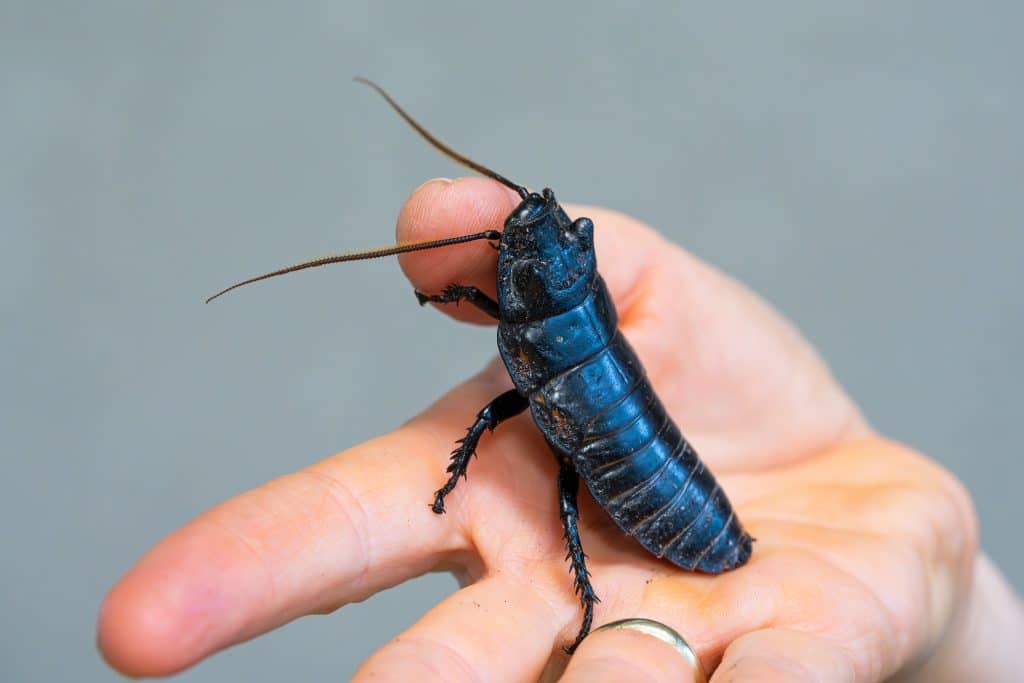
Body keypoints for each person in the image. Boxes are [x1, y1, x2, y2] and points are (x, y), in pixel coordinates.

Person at [98, 178, 1024, 681]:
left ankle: (583, 579)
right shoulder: (553, 295)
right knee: (566, 491)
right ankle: (584, 580)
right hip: (664, 473)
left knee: (565, 490)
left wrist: (959, 622)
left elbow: (495, 343)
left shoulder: (520, 314)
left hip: (678, 501)